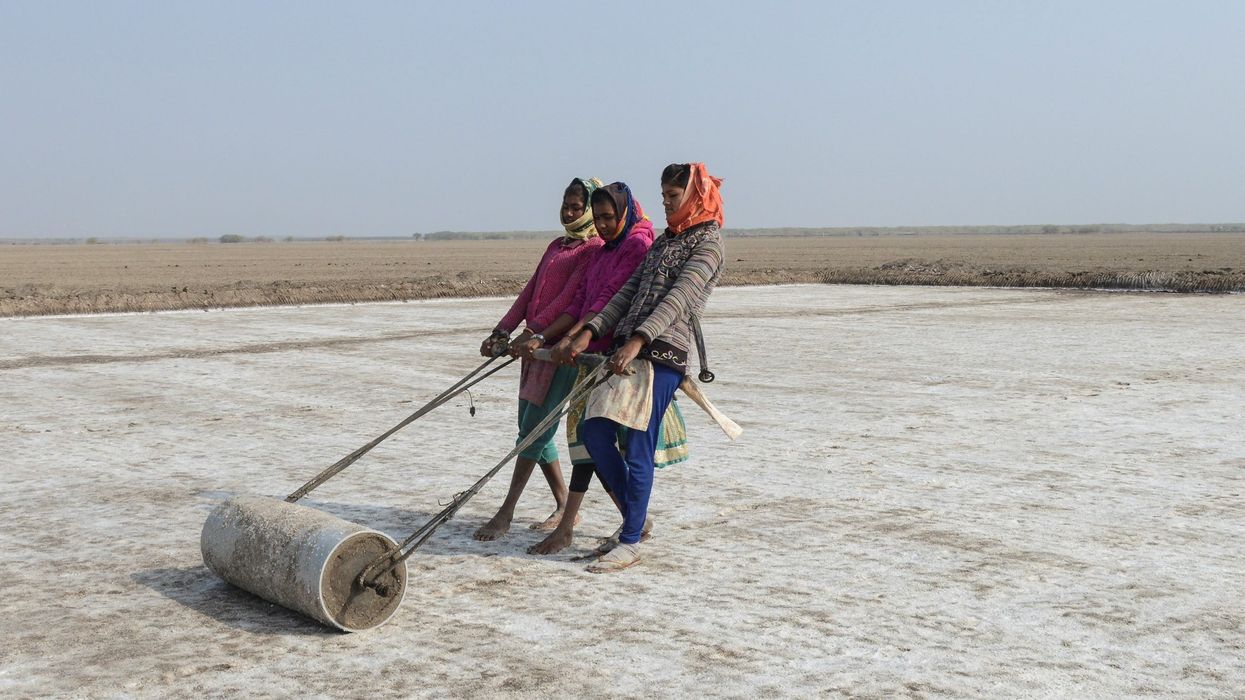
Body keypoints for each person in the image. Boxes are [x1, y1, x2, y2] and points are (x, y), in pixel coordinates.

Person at [557, 163, 725, 572]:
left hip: (663, 352)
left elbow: (679, 298)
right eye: (664, 196)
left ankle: (630, 540)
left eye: (674, 197)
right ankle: (636, 518)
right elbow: (629, 292)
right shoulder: (666, 240)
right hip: (628, 348)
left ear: (696, 198)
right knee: (594, 431)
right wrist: (591, 329)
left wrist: (637, 340)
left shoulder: (708, 245)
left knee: (638, 444)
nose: (666, 204)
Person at [526, 182, 689, 556]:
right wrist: (552, 335)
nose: (600, 225)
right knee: (591, 441)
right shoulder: (605, 252)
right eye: (596, 218)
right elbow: (586, 299)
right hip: (597, 355)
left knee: (626, 447)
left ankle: (627, 532)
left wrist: (587, 335)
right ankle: (630, 521)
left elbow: (618, 298)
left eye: (606, 217)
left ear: (624, 213)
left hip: (628, 359)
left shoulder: (637, 245)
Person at [473, 177, 605, 541]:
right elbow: (531, 291)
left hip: (558, 352)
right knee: (532, 428)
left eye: (577, 207)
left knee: (534, 431)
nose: (568, 212)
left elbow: (570, 301)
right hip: (533, 350)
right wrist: (503, 329)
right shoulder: (557, 245)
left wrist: (537, 334)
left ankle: (506, 512)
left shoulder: (591, 249)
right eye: (566, 205)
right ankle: (565, 504)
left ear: (591, 210)